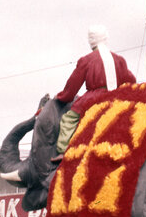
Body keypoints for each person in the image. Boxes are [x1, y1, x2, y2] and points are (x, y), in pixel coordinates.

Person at [54, 25, 137, 158]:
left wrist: (62, 97)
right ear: (106, 38)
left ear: (91, 41)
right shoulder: (119, 60)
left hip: (93, 99)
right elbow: (132, 81)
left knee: (69, 120)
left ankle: (64, 151)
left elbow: (72, 86)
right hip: (117, 99)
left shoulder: (86, 60)